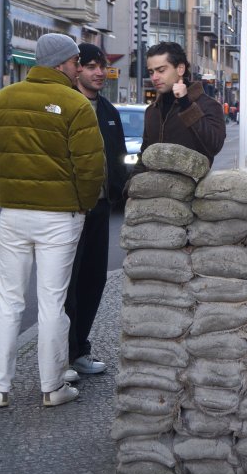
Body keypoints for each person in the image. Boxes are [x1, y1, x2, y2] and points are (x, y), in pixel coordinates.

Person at [0, 33, 104, 408]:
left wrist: (4, 192)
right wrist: (82, 204)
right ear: (60, 63)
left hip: (14, 214)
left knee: (8, 301)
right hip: (60, 216)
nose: (79, 66)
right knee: (52, 303)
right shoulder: (76, 104)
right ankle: (53, 386)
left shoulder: (3, 99)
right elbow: (91, 167)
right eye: (76, 61)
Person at [63, 44, 128, 380]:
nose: (99, 72)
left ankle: (79, 351)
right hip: (70, 209)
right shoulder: (64, 105)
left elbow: (118, 156)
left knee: (93, 279)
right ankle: (63, 354)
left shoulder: (107, 110)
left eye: (101, 66)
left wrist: (118, 190)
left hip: (100, 208)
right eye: (91, 66)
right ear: (77, 69)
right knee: (66, 285)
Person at [133, 41, 226, 176]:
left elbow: (214, 146)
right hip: (153, 188)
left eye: (161, 70)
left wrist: (186, 104)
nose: (154, 77)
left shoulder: (208, 105)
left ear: (180, 69)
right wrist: (131, 184)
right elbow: (144, 155)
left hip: (191, 187)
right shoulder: (152, 110)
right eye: (151, 72)